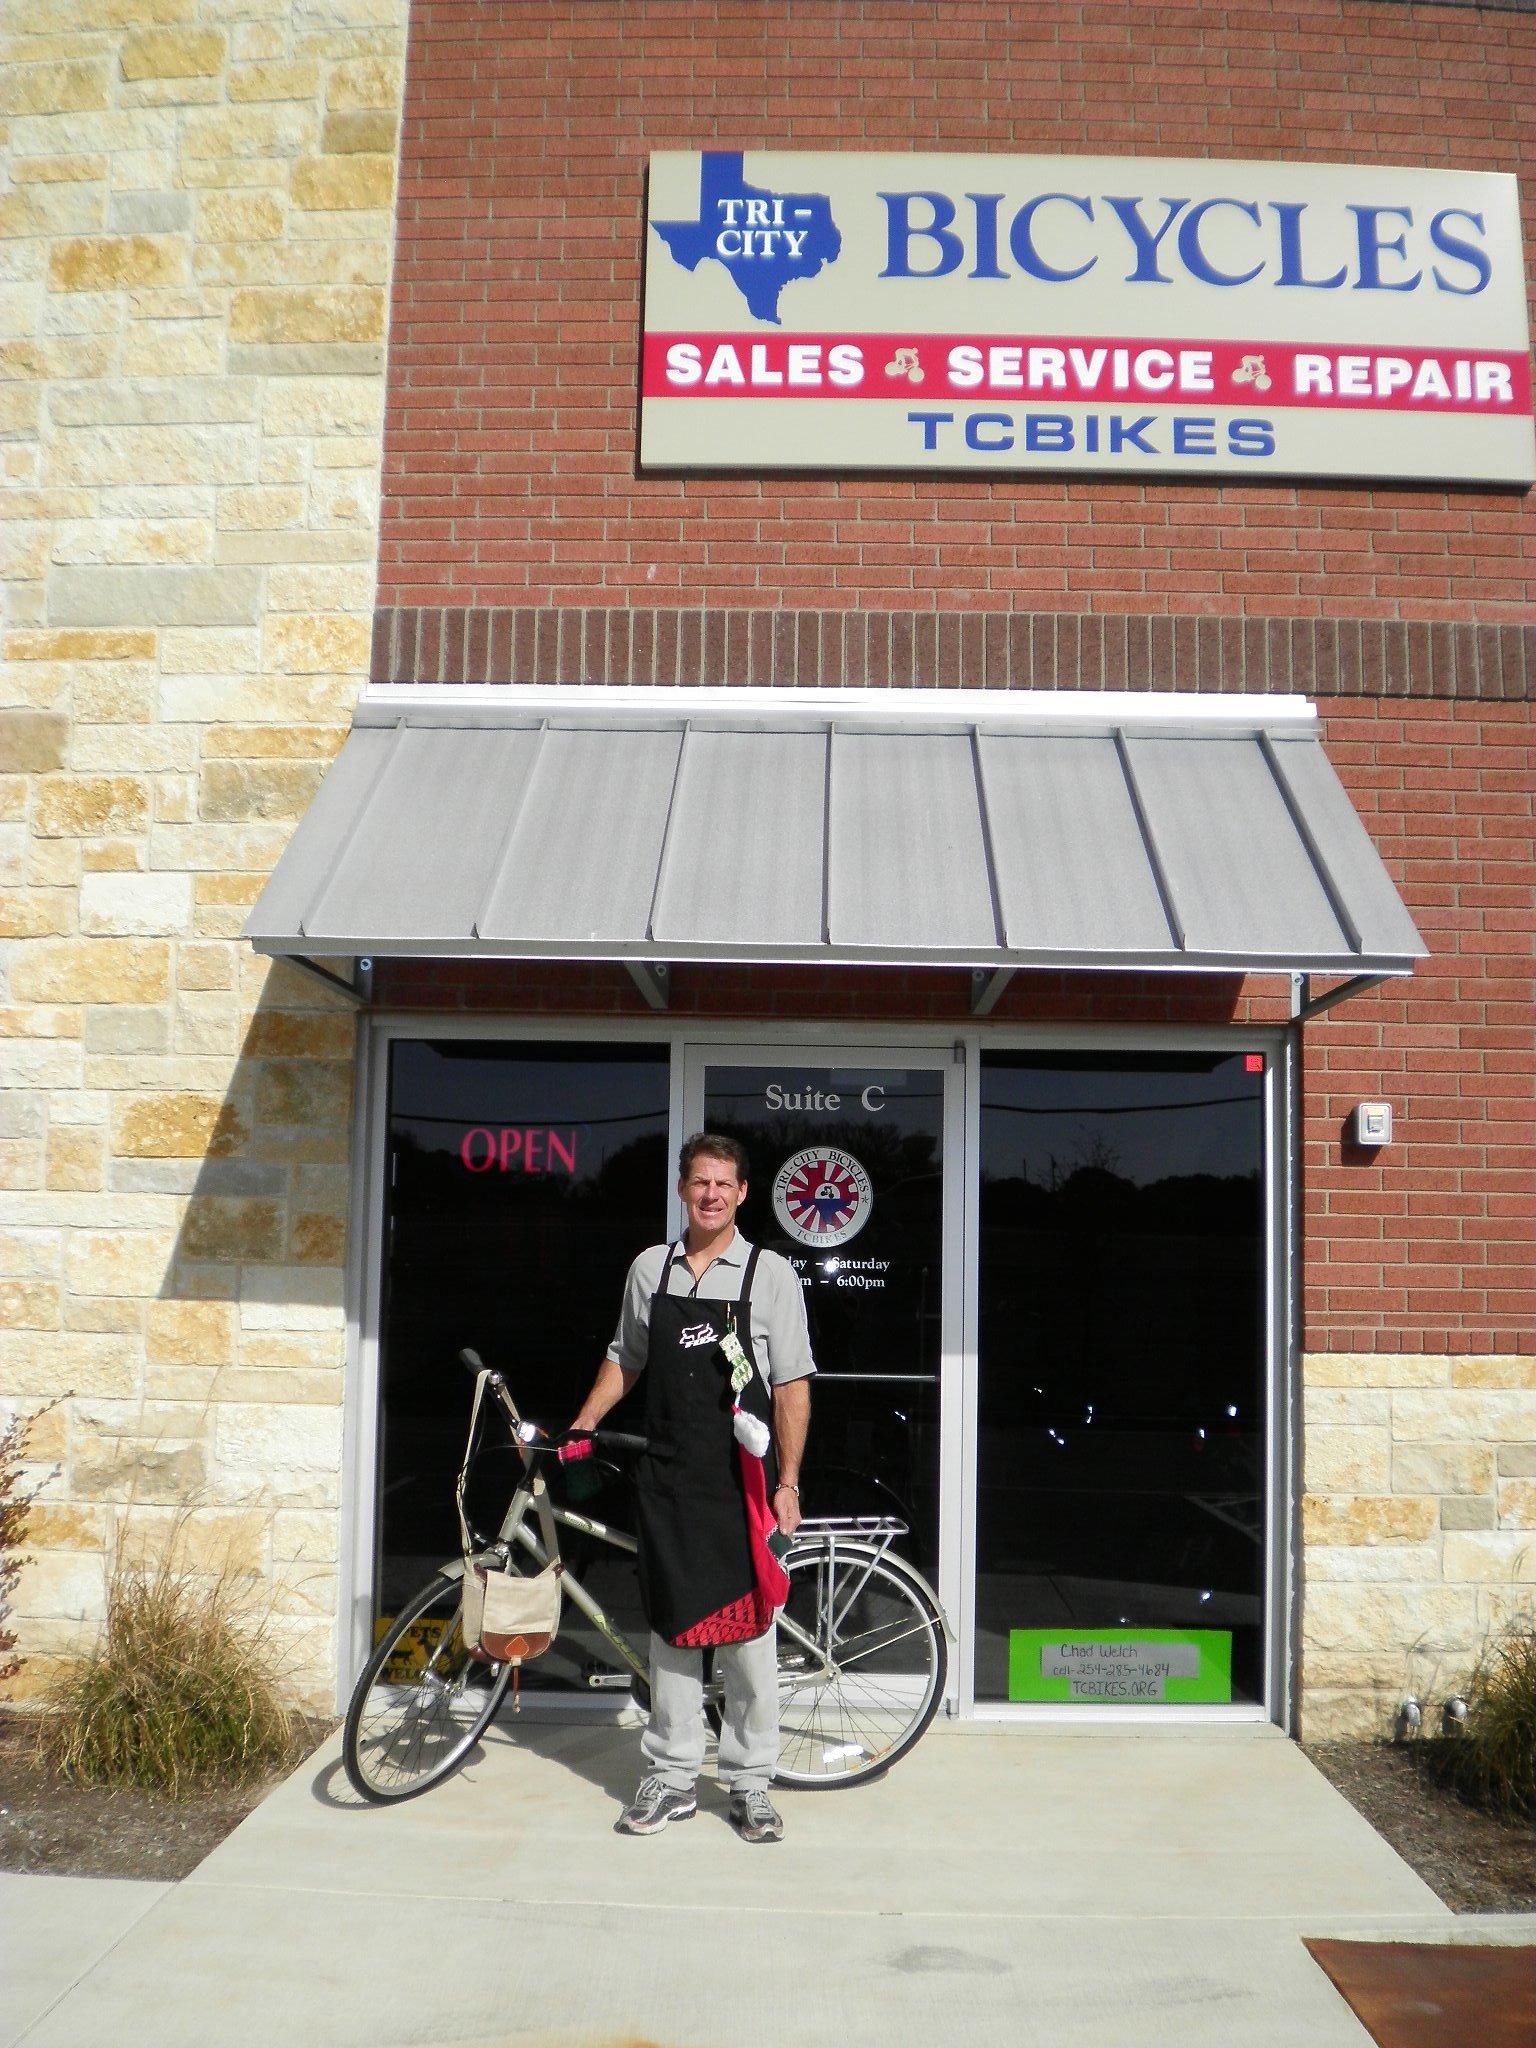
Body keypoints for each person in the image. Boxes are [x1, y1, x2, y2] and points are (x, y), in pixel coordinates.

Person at [571, 1132, 813, 1843]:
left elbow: (793, 1385)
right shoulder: (652, 1268)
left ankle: (750, 1783)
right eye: (698, 1182)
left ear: (742, 1194)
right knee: (674, 1634)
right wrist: (584, 1421)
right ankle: (673, 1777)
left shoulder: (770, 1274)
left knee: (748, 1641)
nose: (710, 1194)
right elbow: (627, 1356)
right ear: (683, 1190)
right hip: (670, 1480)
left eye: (724, 1184)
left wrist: (788, 1483)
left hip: (742, 1485)